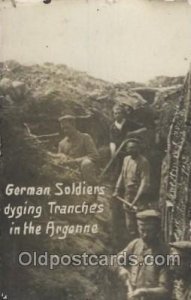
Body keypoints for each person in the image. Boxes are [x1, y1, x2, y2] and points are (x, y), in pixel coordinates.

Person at [115, 210, 172, 300]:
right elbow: (115, 260)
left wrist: (144, 291)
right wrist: (122, 270)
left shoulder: (164, 252)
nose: (145, 235)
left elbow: (165, 290)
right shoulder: (135, 244)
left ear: (157, 230)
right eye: (142, 230)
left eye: (149, 231)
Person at [113, 139, 150, 239]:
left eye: (134, 147)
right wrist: (117, 189)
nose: (131, 150)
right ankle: (132, 241)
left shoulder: (143, 162)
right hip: (127, 194)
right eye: (129, 148)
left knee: (140, 221)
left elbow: (144, 182)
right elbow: (122, 174)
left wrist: (136, 199)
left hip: (139, 196)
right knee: (129, 223)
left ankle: (142, 243)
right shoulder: (126, 159)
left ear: (138, 149)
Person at [53, 115, 99, 185]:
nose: (65, 131)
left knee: (86, 163)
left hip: (84, 169)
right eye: (63, 128)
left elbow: (94, 155)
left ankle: (92, 192)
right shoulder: (61, 143)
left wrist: (75, 161)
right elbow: (59, 160)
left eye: (67, 128)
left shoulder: (85, 137)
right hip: (69, 171)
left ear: (74, 126)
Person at [109, 103, 146, 178]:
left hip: (130, 149)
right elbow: (112, 141)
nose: (117, 115)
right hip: (119, 150)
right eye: (115, 113)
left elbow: (144, 128)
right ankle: (117, 179)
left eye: (119, 113)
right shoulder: (112, 127)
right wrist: (113, 152)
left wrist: (133, 133)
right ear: (113, 115)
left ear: (123, 114)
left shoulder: (129, 123)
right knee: (117, 164)